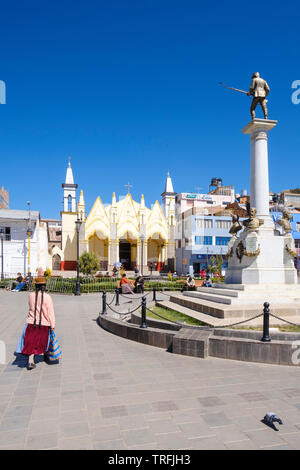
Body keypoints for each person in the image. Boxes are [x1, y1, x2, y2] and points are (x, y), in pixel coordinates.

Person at [15, 268, 55, 370]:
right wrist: (53, 325)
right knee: (43, 341)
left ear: (35, 286)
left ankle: (30, 361)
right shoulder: (48, 297)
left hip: (31, 324)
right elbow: (50, 313)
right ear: (44, 286)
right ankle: (46, 355)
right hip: (44, 325)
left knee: (31, 343)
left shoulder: (30, 296)